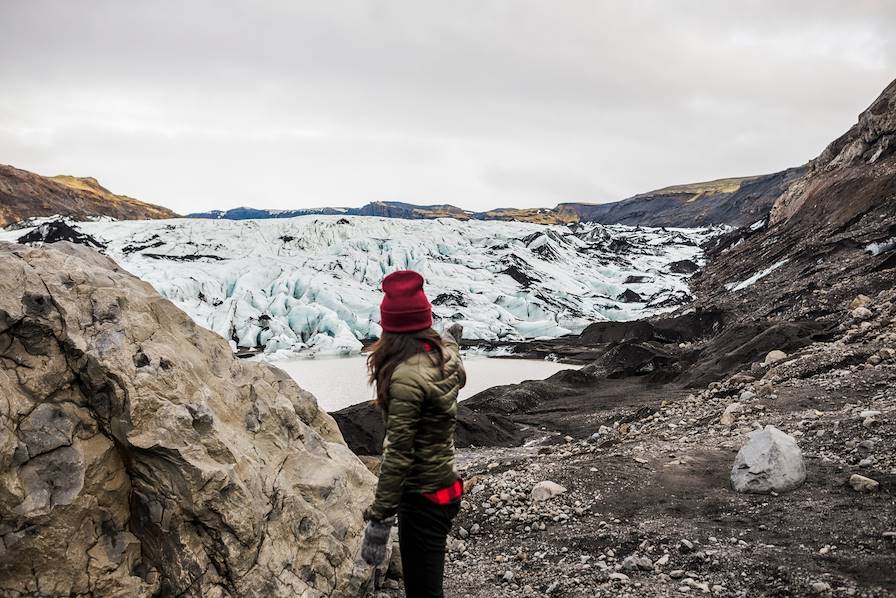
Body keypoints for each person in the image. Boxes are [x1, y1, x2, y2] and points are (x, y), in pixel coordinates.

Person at [360, 270, 466, 598]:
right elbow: (457, 369)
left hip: (422, 497)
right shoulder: (445, 357)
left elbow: (397, 455)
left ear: (390, 327)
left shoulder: (405, 376)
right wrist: (447, 341)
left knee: (423, 592)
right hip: (446, 486)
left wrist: (379, 523)